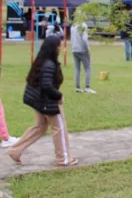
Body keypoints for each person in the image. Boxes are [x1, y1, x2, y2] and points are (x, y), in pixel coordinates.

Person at [6, 36, 78, 166]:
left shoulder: (41, 61)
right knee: (59, 128)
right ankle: (63, 158)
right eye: (59, 45)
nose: (60, 48)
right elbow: (47, 86)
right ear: (54, 48)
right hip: (48, 103)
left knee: (39, 127)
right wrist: (58, 96)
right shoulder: (49, 65)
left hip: (39, 102)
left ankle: (15, 150)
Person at [71, 22, 95, 94]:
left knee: (77, 69)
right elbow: (84, 39)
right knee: (88, 68)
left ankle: (77, 87)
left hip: (74, 49)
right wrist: (88, 49)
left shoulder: (73, 26)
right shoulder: (83, 25)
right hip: (82, 50)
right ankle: (87, 87)